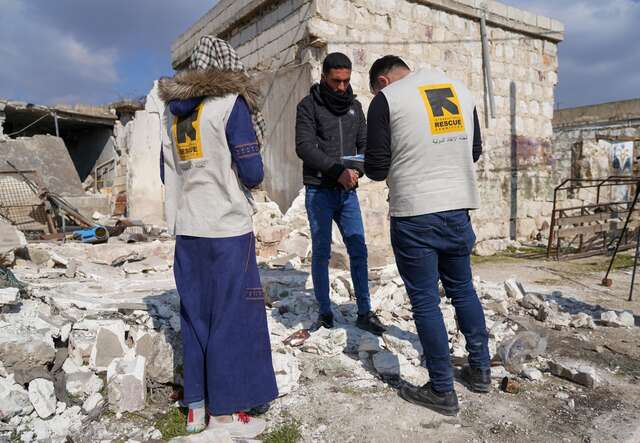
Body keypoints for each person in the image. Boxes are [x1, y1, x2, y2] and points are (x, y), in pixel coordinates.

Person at [158, 35, 277, 438]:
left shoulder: (170, 114)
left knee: (196, 315)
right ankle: (227, 416)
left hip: (187, 228)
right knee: (234, 315)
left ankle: (196, 407)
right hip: (226, 227)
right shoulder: (229, 105)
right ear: (227, 68)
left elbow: (166, 171)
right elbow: (252, 170)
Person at [365, 55, 491, 416]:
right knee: (463, 289)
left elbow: (375, 168)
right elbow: (475, 150)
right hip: (458, 208)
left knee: (424, 301)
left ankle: (441, 389)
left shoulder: (386, 100)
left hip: (415, 213)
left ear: (383, 82)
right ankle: (480, 369)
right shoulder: (461, 91)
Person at [295, 52, 386, 336]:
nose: (341, 87)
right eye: (336, 81)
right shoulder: (307, 106)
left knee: (358, 250)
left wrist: (358, 170)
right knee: (321, 252)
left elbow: (365, 146)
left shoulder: (355, 108)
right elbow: (305, 147)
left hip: (348, 193)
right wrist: (337, 172)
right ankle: (325, 313)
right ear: (323, 77)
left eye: (346, 81)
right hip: (319, 191)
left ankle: (364, 312)